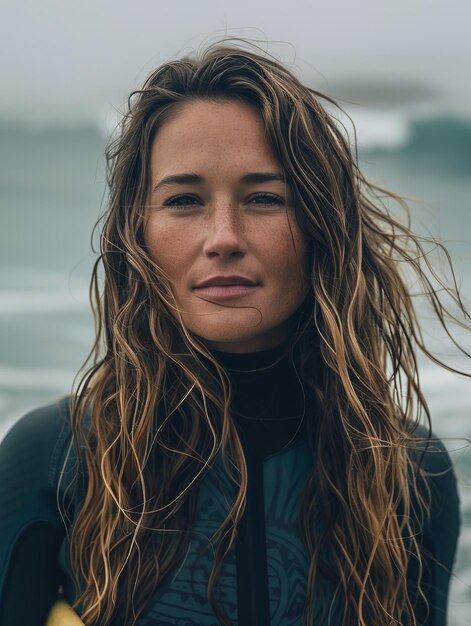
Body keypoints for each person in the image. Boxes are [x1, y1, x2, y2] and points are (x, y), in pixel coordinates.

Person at [0, 40, 466, 626]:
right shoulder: (58, 456)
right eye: (185, 199)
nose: (223, 236)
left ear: (322, 225)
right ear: (134, 233)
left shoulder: (409, 474)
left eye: (265, 198)